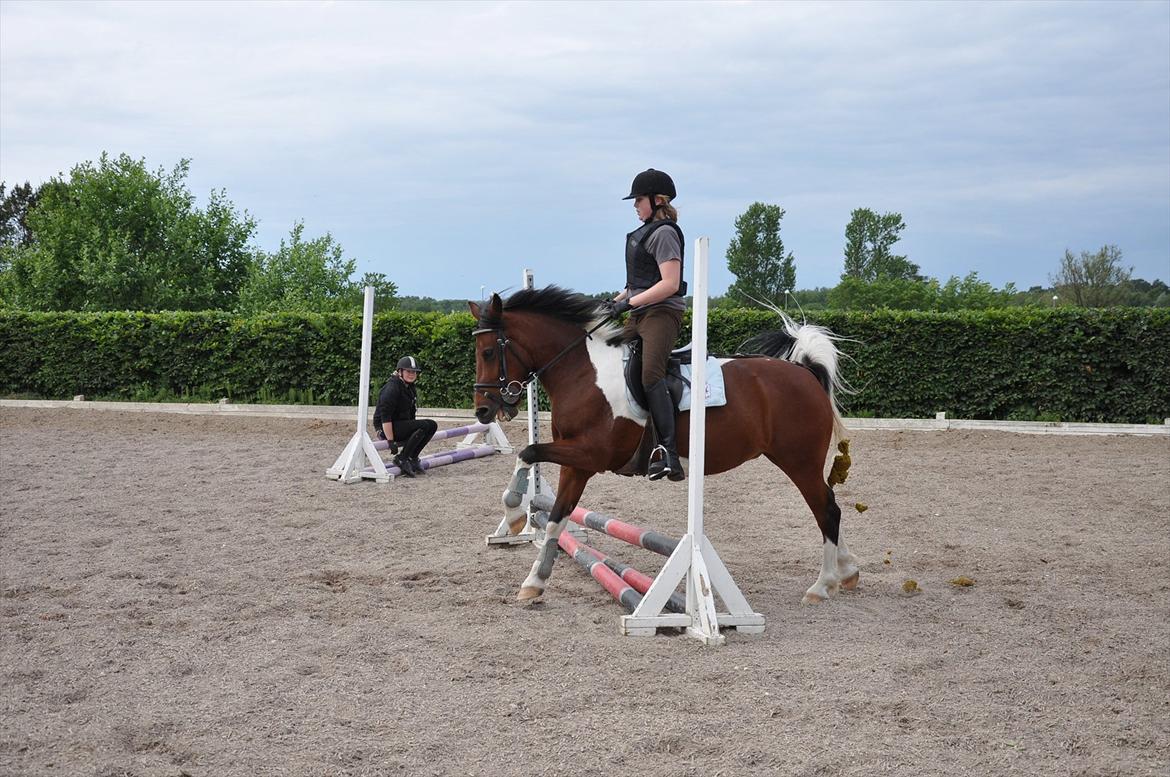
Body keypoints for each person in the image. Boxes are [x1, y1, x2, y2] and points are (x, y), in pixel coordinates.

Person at [604, 168, 687, 482]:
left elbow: (669, 284)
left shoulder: (664, 233)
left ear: (657, 199)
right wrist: (613, 302)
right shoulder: (644, 234)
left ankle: (668, 452)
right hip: (639, 312)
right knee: (614, 364)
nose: (635, 205)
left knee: (651, 373)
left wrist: (629, 303)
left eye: (638, 199)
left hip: (662, 313)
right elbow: (637, 284)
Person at [372, 356, 437, 478]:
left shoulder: (409, 387)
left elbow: (411, 414)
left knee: (432, 425)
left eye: (414, 372)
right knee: (423, 426)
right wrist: (390, 441)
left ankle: (412, 457)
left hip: (399, 424)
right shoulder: (392, 388)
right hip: (386, 427)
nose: (412, 374)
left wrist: (415, 430)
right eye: (408, 371)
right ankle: (401, 458)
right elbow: (385, 417)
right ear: (400, 371)